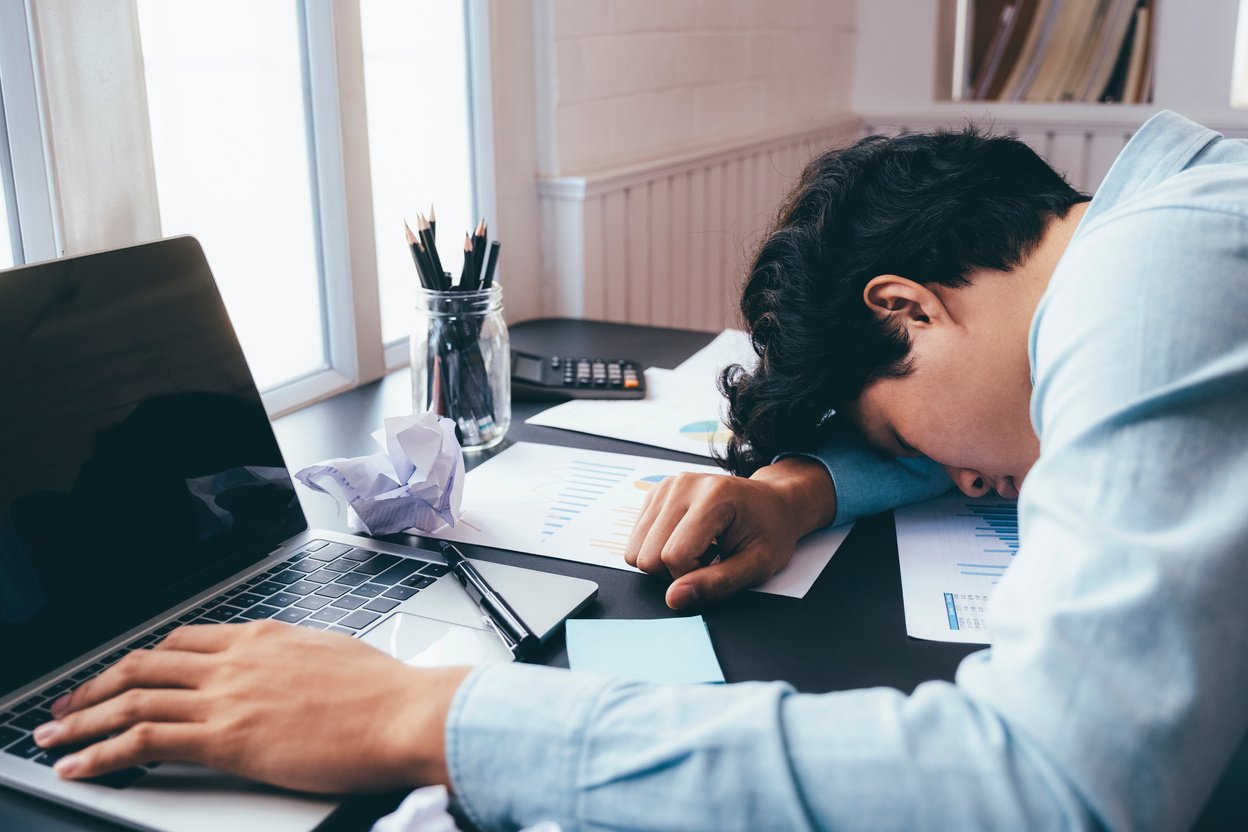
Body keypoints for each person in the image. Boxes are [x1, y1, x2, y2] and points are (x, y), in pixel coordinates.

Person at [31, 110, 1248, 830]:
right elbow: (984, 424)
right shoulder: (1167, 229)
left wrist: (429, 714)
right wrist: (804, 488)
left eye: (899, 438)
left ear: (907, 309)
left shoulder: (1154, 285)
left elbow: (1055, 786)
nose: (972, 483)